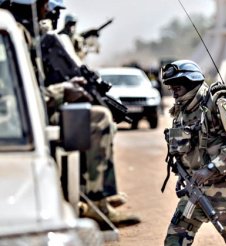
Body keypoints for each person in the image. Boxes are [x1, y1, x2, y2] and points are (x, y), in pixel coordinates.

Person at [0, 0, 140, 228]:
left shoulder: (23, 34)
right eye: (44, 5)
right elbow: (16, 94)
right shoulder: (15, 35)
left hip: (25, 116)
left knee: (96, 115)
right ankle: (96, 202)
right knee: (98, 120)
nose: (47, 11)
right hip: (17, 121)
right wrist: (62, 92)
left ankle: (93, 193)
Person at [161, 60, 226, 245]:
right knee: (174, 240)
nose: (173, 92)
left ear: (190, 82)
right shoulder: (182, 110)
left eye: (176, 87)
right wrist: (184, 174)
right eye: (170, 88)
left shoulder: (218, 102)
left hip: (224, 191)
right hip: (194, 191)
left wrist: (210, 169)